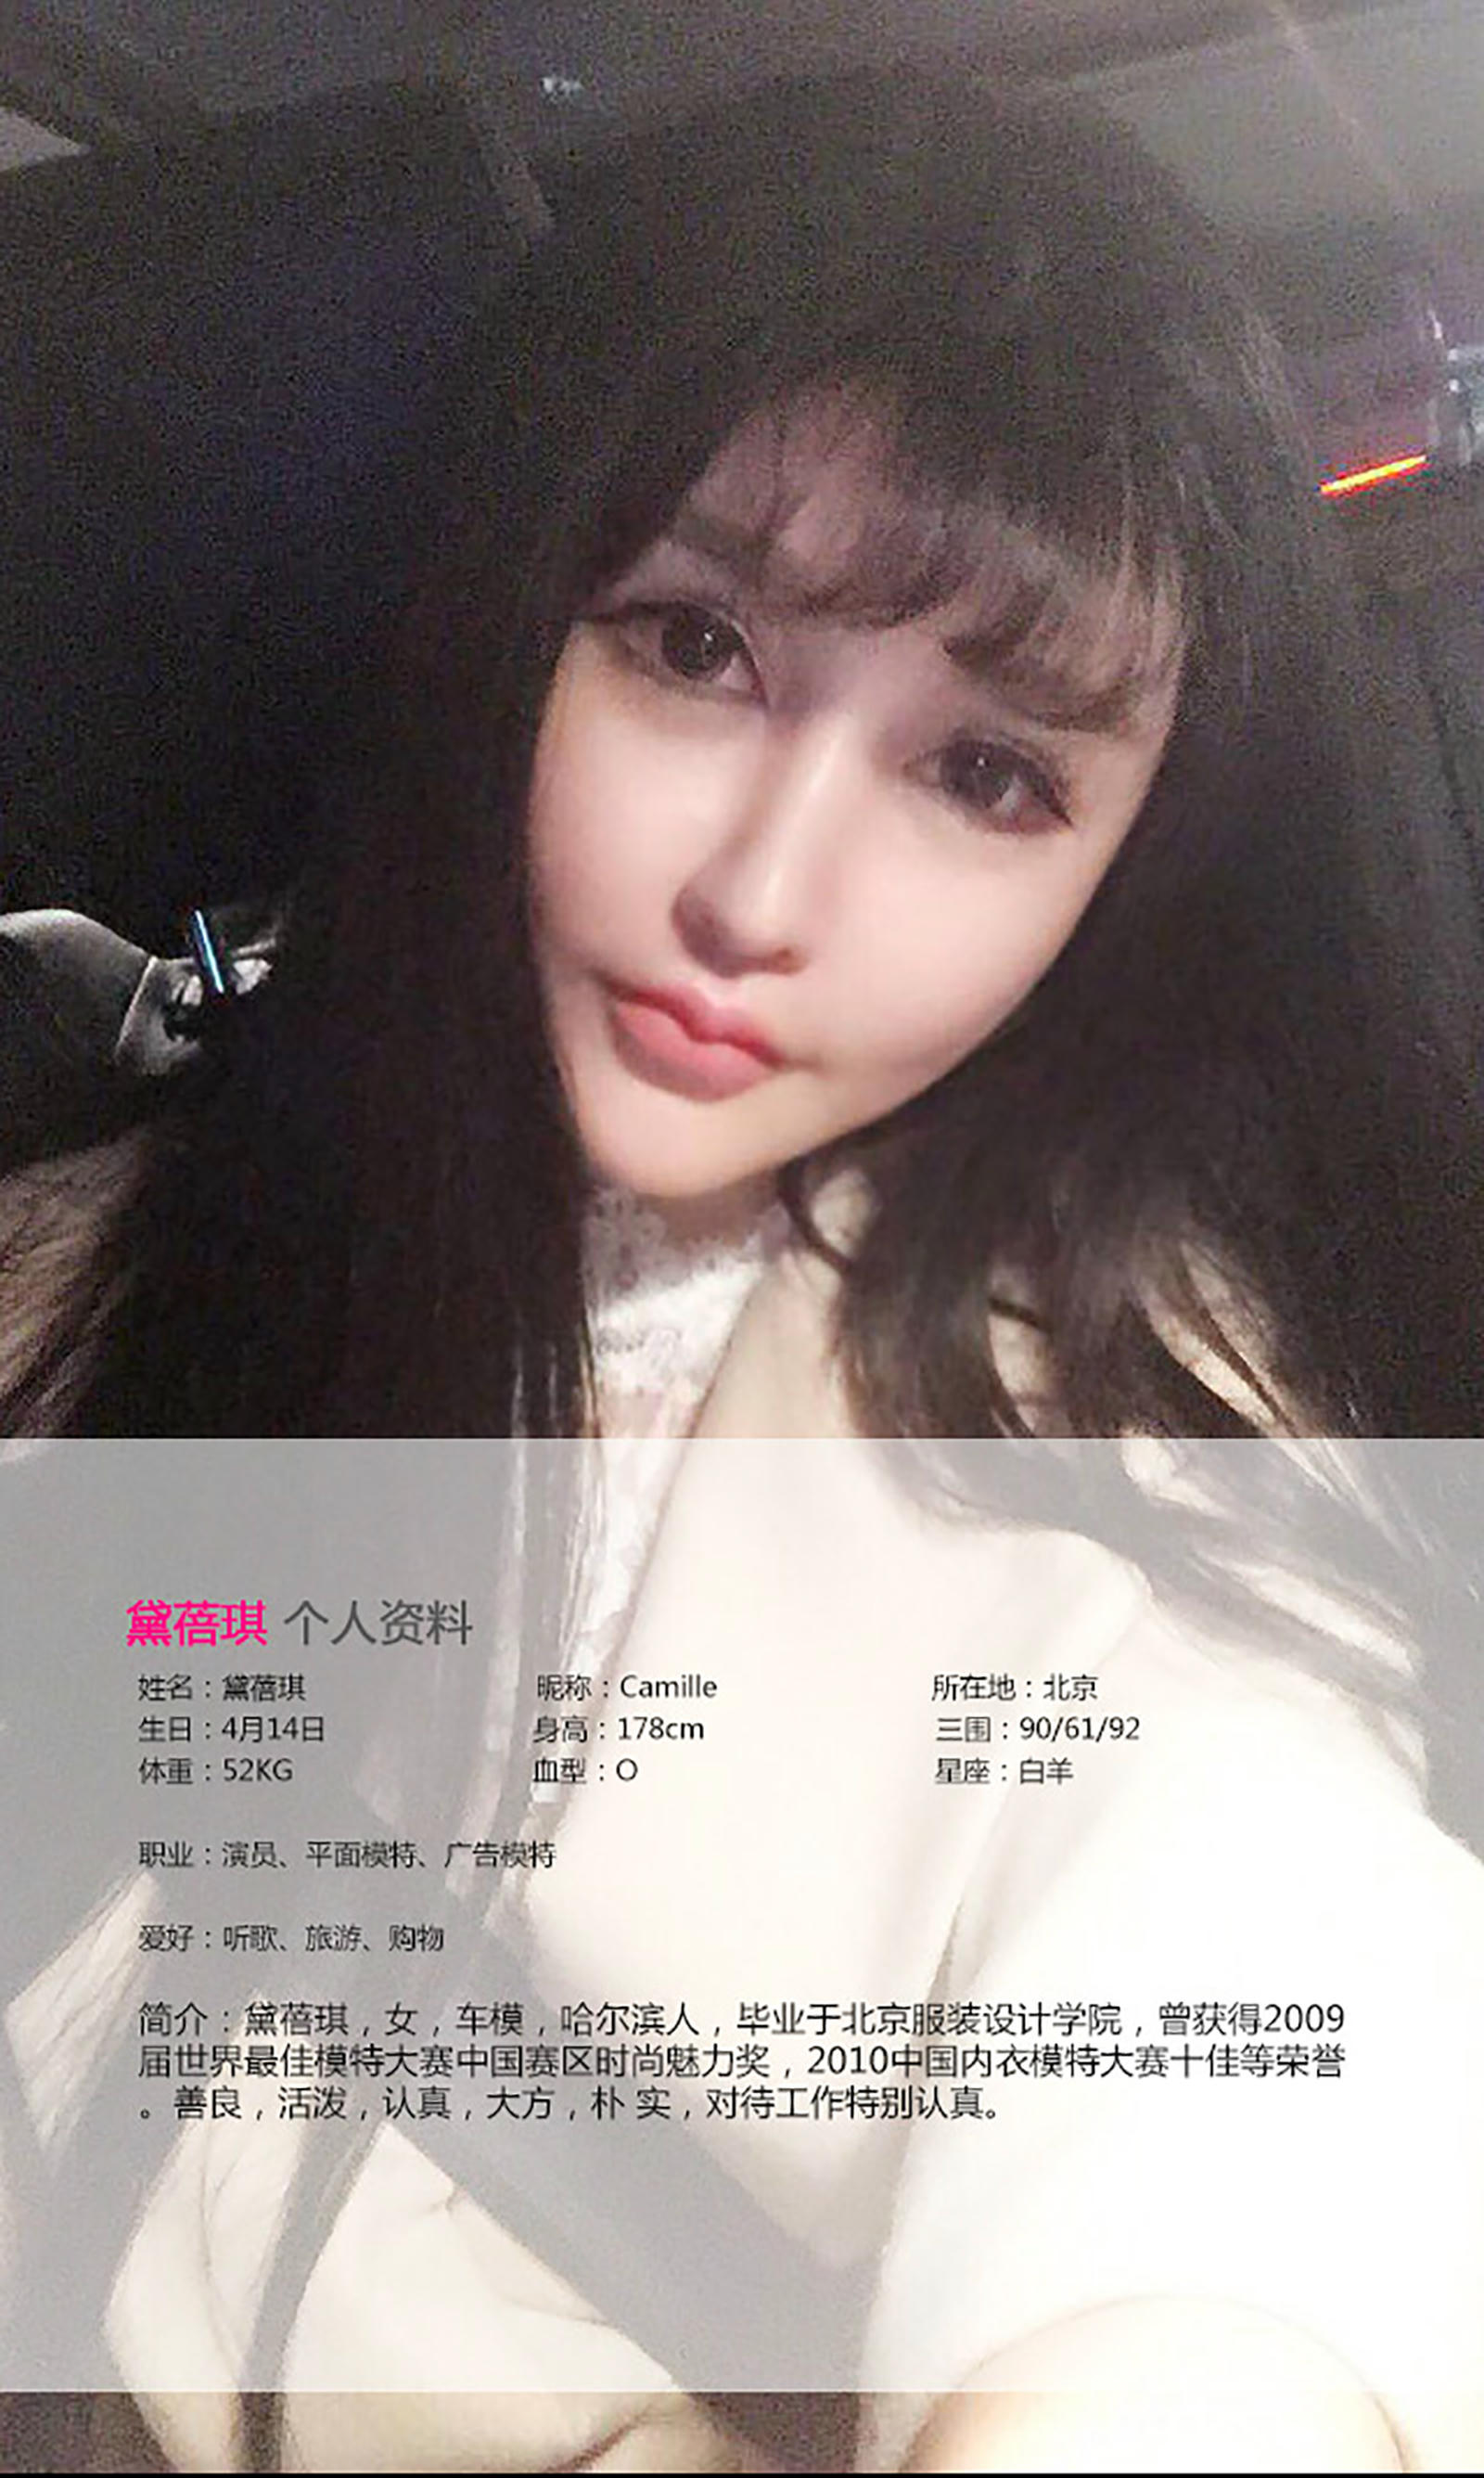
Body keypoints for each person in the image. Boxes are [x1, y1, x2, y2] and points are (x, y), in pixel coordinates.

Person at [2, 61, 1482, 2478]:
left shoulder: (1086, 1423)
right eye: (695, 647)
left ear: (1125, 881)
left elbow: (1248, 1992)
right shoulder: (150, 1236)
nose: (761, 897)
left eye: (987, 775)